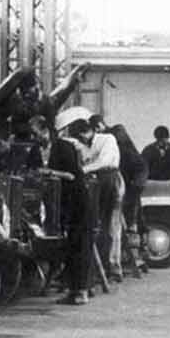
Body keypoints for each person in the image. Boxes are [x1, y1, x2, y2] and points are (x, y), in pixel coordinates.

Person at [49, 107, 96, 305]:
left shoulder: (61, 146)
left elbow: (70, 175)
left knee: (77, 246)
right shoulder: (77, 147)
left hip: (75, 203)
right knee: (81, 246)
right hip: (82, 201)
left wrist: (48, 171)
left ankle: (79, 292)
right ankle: (82, 290)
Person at [84, 115, 123, 280]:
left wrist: (84, 169)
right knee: (100, 223)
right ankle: (102, 266)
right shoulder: (90, 144)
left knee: (110, 225)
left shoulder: (108, 138)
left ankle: (112, 267)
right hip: (101, 180)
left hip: (110, 179)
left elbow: (104, 162)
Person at [110, 123, 148, 277]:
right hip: (131, 192)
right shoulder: (131, 150)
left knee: (128, 227)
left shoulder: (124, 152)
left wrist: (132, 189)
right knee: (132, 226)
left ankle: (131, 259)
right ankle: (136, 259)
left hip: (128, 194)